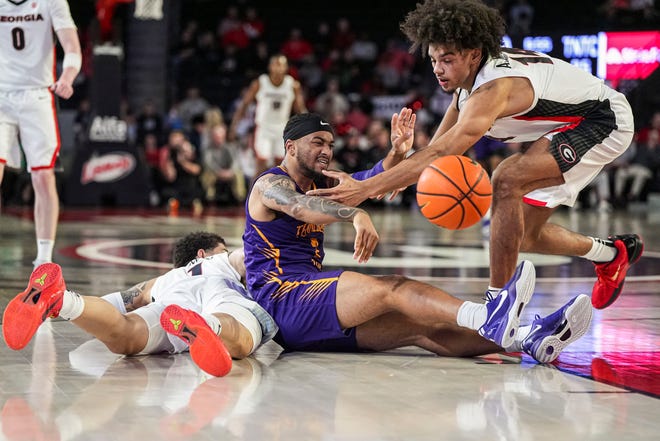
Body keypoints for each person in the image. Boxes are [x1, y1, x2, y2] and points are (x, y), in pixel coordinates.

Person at [308, 0, 643, 310]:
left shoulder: (493, 88)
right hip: (563, 129)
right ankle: (612, 254)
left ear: (473, 53)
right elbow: (433, 155)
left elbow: (442, 151)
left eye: (448, 59)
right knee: (522, 236)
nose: (438, 69)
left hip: (603, 119)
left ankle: (498, 304)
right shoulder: (465, 89)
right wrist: (398, 175)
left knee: (507, 178)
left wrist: (366, 188)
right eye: (434, 59)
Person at [242, 112, 593, 363]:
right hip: (282, 298)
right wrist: (357, 213)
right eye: (316, 142)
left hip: (304, 317)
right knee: (393, 288)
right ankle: (488, 316)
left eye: (330, 144)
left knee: (422, 331)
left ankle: (527, 339)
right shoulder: (270, 185)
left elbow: (372, 181)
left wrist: (397, 152)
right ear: (290, 147)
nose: (326, 150)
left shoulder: (327, 184)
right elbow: (302, 208)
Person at [2, 232, 278, 377]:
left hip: (172, 299)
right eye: (223, 248)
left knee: (126, 334)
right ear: (203, 253)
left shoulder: (163, 280)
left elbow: (114, 304)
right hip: (218, 292)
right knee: (241, 340)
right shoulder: (220, 262)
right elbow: (251, 255)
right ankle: (209, 324)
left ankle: (61, 301)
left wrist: (56, 313)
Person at [0, 0, 82, 267]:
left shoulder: (52, 2)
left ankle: (43, 259)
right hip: (1, 95)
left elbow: (72, 47)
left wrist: (67, 78)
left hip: (37, 95)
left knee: (43, 177)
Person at [228, 54, 307, 178]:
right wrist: (234, 126)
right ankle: (253, 196)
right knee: (261, 164)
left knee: (281, 166)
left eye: (281, 65)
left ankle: (280, 195)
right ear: (270, 66)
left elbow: (300, 109)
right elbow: (244, 105)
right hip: (263, 128)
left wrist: (308, 128)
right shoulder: (260, 82)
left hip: (282, 128)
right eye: (276, 64)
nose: (278, 68)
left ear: (286, 67)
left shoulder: (292, 85)